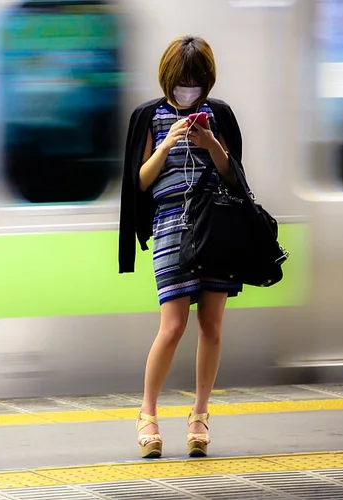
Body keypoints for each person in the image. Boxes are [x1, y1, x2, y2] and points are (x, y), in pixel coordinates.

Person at [117, 36, 245, 459]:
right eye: (180, 82)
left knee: (211, 326)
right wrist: (170, 141)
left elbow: (235, 177)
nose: (186, 89)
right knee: (172, 326)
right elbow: (138, 181)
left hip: (216, 225)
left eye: (195, 82)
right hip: (171, 226)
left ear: (206, 82)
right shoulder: (149, 117)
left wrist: (211, 144)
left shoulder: (219, 114)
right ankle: (147, 414)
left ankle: (199, 416)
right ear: (167, 79)